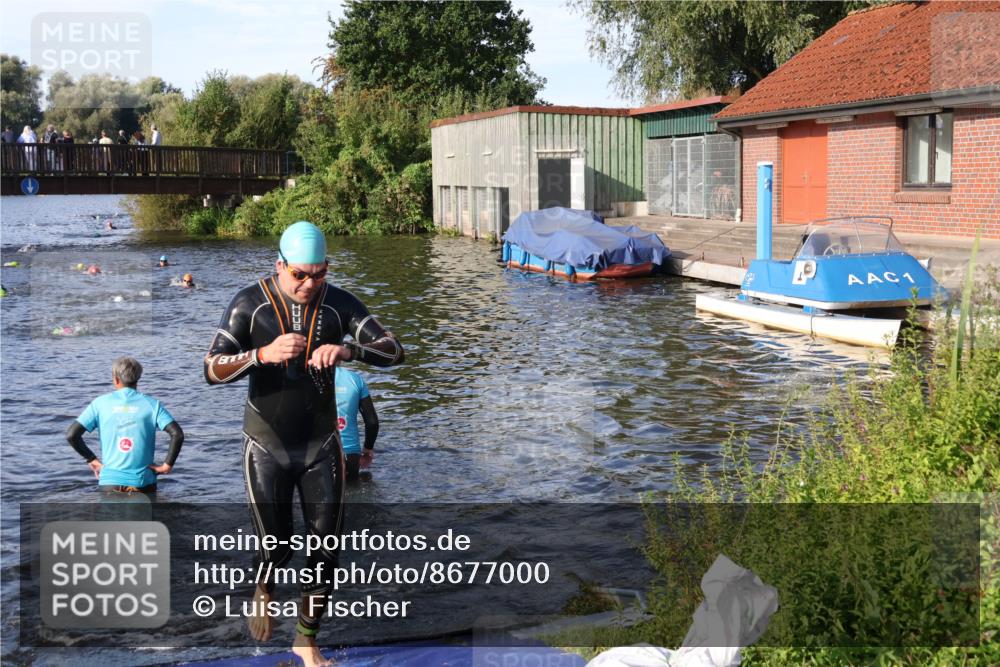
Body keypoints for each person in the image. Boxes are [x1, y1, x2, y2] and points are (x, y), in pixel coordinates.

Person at [204, 220, 403, 667]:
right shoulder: (249, 304)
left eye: (319, 273)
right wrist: (261, 355)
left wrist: (350, 352)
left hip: (320, 444)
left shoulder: (339, 304)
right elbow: (210, 367)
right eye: (300, 274)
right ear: (280, 266)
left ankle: (305, 639)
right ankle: (265, 587)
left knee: (326, 546)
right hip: (266, 443)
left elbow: (394, 350)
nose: (309, 284)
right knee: (277, 546)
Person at [66, 356, 184, 494]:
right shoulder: (152, 405)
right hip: (142, 483)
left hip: (109, 482)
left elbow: (72, 435)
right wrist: (166, 466)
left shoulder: (99, 404)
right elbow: (177, 434)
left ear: (115, 379)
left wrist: (91, 459)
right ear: (138, 379)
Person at [334, 368, 379, 481]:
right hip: (350, 454)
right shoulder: (355, 379)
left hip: (318, 454)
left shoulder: (308, 378)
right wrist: (368, 449)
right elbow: (372, 422)